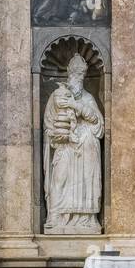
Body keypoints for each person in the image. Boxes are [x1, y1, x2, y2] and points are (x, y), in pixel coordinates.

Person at [43, 54, 105, 234]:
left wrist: (76, 105)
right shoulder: (57, 96)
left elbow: (98, 123)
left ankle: (86, 218)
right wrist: (56, 134)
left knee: (85, 182)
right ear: (69, 75)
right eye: (75, 75)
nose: (78, 79)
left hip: (86, 149)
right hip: (65, 147)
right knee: (60, 179)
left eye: (80, 76)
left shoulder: (87, 98)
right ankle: (56, 217)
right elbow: (48, 123)